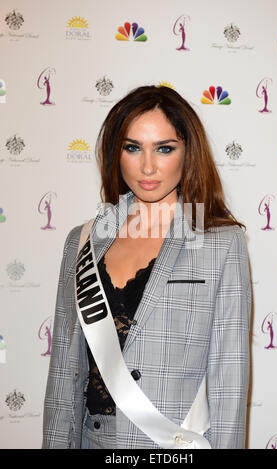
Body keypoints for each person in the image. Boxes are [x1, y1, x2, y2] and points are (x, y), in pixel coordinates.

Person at [42, 85, 251, 449]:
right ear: (116, 152)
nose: (148, 166)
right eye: (133, 147)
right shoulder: (82, 241)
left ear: (188, 153)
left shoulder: (222, 243)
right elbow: (63, 375)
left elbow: (229, 380)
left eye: (164, 148)